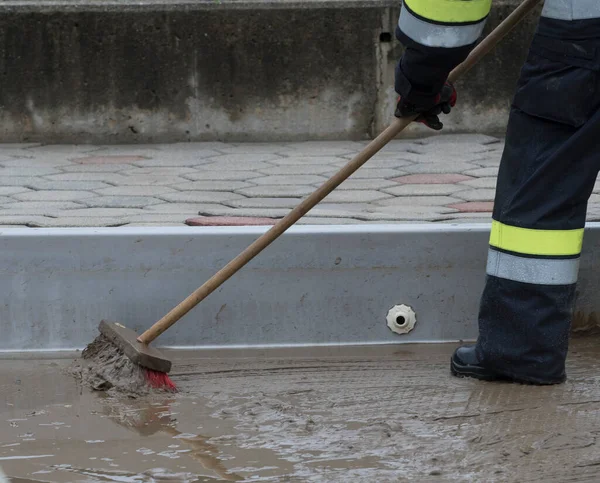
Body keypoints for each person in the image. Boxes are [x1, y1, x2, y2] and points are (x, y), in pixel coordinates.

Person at [394, 0, 600, 385]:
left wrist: (421, 77)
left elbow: (445, 10)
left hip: (584, 39)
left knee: (542, 190)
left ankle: (522, 352)